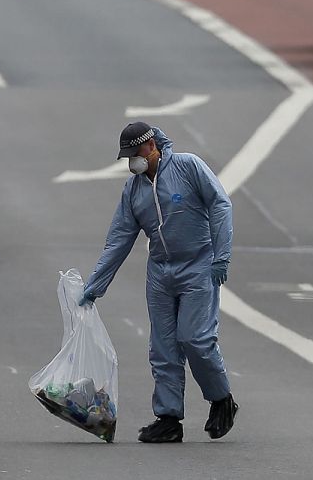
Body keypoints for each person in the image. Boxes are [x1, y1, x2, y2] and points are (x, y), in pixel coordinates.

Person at [79, 122, 238, 443]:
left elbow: (221, 204)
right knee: (163, 349)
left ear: (151, 146)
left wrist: (221, 255)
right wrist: (96, 284)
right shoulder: (134, 189)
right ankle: (168, 418)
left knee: (195, 339)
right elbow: (119, 238)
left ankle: (221, 399)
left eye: (135, 153)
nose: (131, 162)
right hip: (161, 272)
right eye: (127, 157)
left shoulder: (188, 166)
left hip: (198, 265)